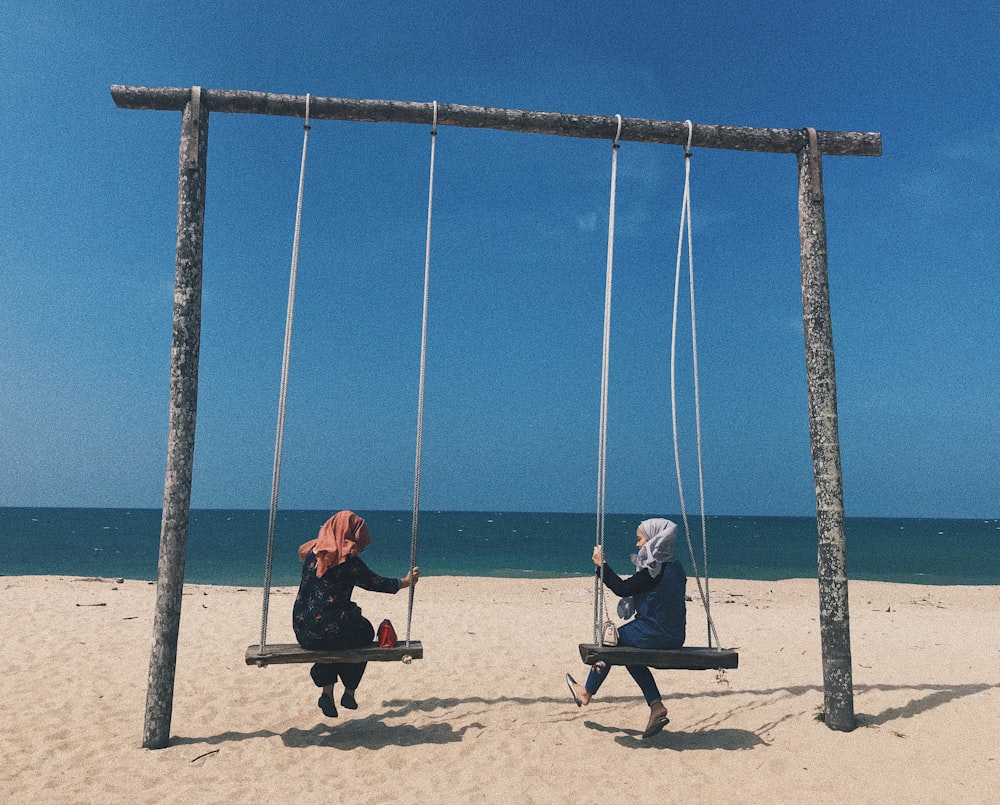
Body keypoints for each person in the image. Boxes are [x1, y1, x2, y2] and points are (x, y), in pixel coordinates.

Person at [566, 518, 686, 738]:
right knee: (630, 656)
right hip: (676, 636)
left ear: (655, 540)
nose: (639, 545)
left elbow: (622, 588)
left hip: (653, 633)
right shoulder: (676, 568)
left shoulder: (654, 571)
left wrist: (601, 566)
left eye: (640, 539)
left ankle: (586, 692)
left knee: (611, 643)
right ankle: (656, 707)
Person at [293, 510, 419, 718]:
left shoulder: (313, 553)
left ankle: (327, 691)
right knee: (364, 633)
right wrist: (406, 582)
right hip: (328, 630)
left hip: (304, 630)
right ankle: (349, 691)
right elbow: (375, 582)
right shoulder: (346, 562)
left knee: (333, 638)